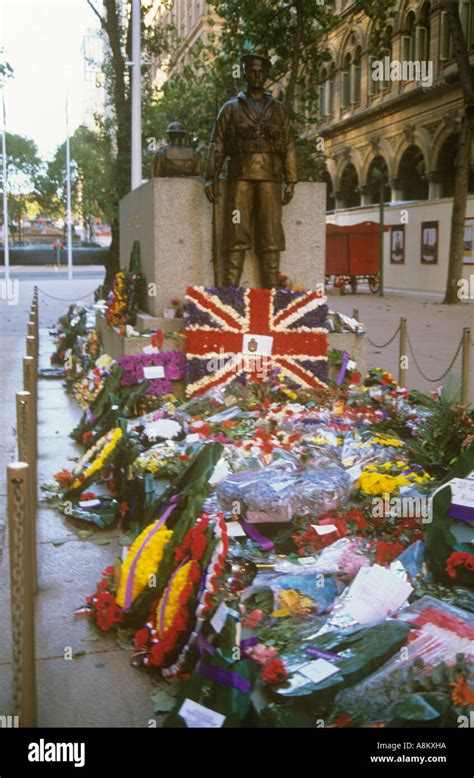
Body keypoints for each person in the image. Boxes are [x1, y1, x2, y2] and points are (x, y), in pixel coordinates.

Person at [204, 53, 297, 288]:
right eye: (252, 72)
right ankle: (229, 295)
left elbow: (288, 144)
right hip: (240, 178)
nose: (257, 76)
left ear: (266, 76)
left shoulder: (279, 110)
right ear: (245, 74)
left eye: (261, 73)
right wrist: (210, 177)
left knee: (271, 235)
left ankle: (272, 296)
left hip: (271, 179)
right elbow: (218, 144)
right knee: (235, 234)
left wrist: (291, 179)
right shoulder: (230, 108)